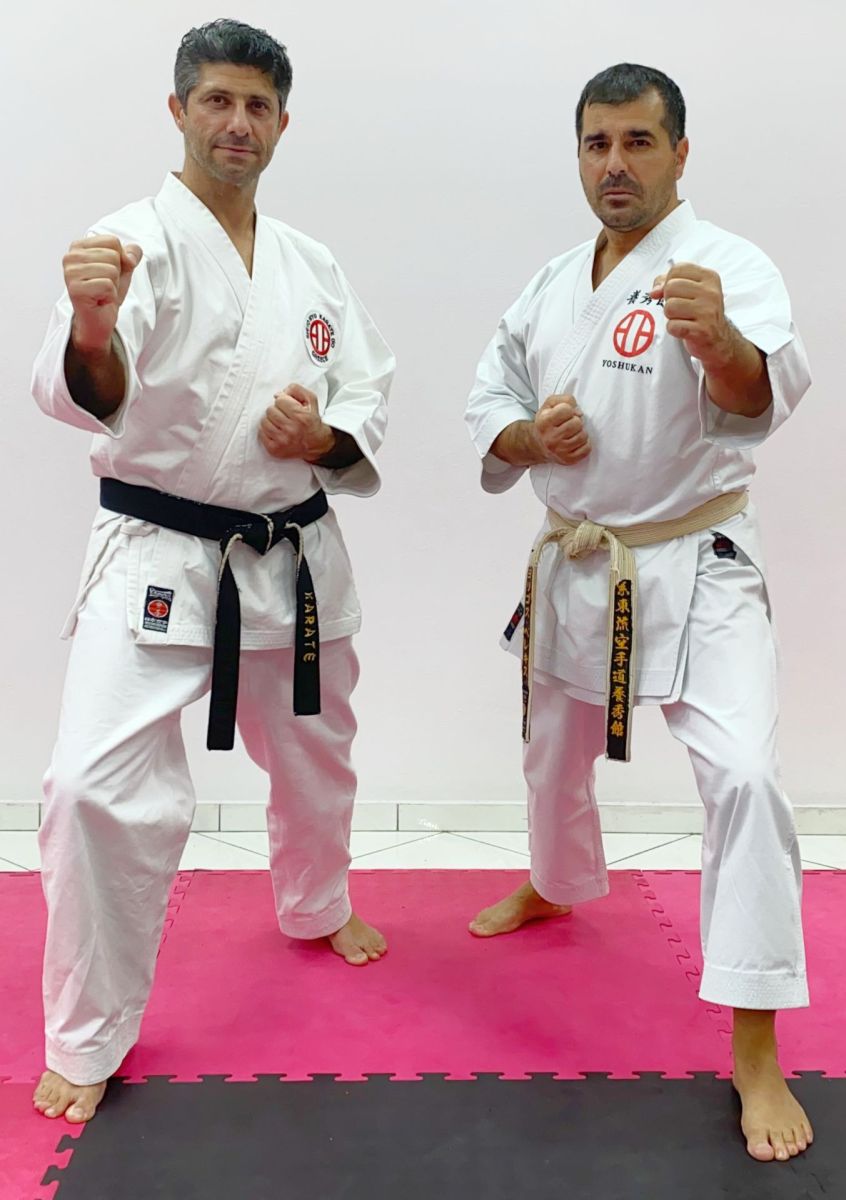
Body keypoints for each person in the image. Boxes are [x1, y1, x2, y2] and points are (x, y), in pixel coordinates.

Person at [30, 19, 394, 1124]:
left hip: (295, 552)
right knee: (89, 788)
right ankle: (87, 1033)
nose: (238, 123)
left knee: (318, 751)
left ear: (282, 123)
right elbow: (88, 390)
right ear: (178, 110)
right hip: (161, 553)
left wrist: (322, 436)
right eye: (217, 101)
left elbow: (367, 393)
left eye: (257, 106)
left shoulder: (311, 264)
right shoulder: (129, 242)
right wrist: (94, 326)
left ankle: (316, 900)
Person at [464, 62, 812, 1164]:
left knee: (745, 778)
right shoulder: (551, 284)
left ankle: (755, 1041)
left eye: (639, 142)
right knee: (550, 753)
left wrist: (722, 345)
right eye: (597, 143)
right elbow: (491, 396)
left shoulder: (729, 268)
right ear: (580, 156)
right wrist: (529, 438)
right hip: (578, 561)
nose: (616, 164)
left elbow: (759, 397)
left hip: (699, 561)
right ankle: (557, 882)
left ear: (680, 152)